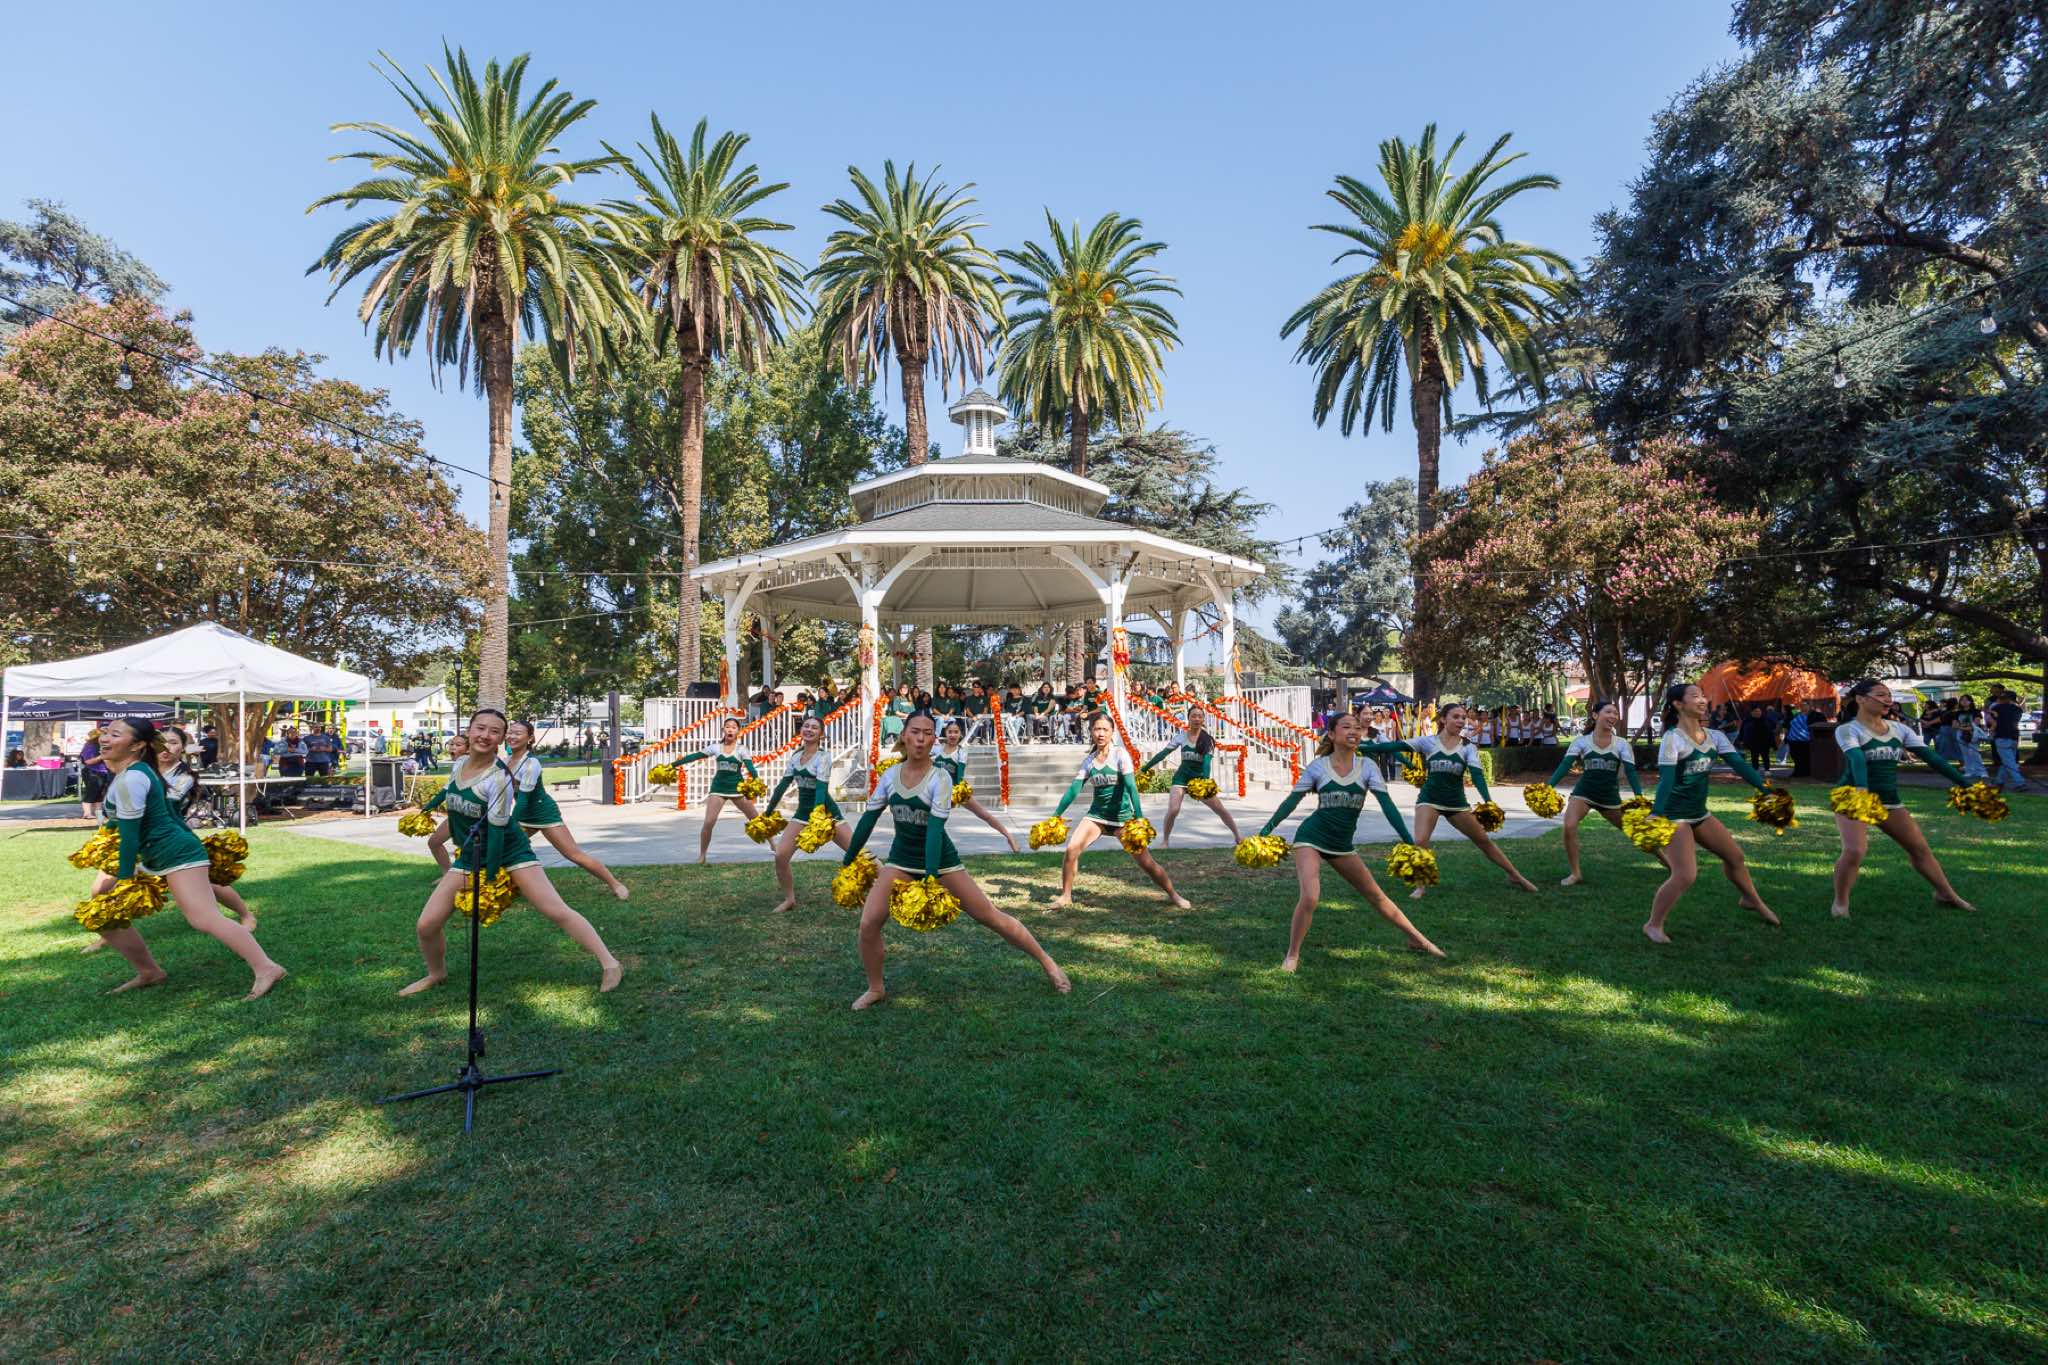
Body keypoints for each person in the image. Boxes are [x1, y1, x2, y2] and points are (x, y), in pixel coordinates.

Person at [841, 712, 1069, 1010]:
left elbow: (935, 831)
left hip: (942, 863)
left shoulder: (940, 778)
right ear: (904, 736)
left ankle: (1049, 963)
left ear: (933, 740)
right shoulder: (889, 776)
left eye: (927, 733)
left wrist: (930, 878)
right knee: (868, 924)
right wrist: (849, 859)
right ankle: (876, 988)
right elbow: (868, 820)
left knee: (990, 916)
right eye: (914, 732)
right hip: (901, 861)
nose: (920, 739)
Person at [403, 708, 622, 996]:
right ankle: (436, 973)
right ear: (468, 731)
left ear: (501, 739)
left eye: (495, 731)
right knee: (427, 924)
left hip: (510, 851)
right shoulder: (460, 765)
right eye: (480, 728)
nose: (485, 735)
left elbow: (496, 833)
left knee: (555, 909)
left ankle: (610, 964)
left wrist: (489, 878)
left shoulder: (498, 778)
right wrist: (427, 811)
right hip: (471, 853)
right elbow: (450, 796)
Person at [80, 717, 287, 999]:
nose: (104, 738)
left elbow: (130, 836)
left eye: (115, 734)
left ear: (137, 745)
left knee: (203, 918)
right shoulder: (136, 771)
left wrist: (125, 878)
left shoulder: (133, 778)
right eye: (106, 732)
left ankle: (267, 967)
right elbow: (146, 818)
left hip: (176, 855)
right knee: (105, 915)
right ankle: (149, 972)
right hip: (158, 855)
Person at [1256, 712, 1443, 971]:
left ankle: (1418, 939)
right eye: (1346, 727)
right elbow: (1291, 802)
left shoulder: (1368, 766)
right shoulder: (1318, 767)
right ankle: (1292, 955)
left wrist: (1409, 842)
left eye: (1357, 727)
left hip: (1342, 844)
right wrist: (1265, 832)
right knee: (1310, 897)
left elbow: (1387, 806)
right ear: (1332, 734)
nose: (1354, 731)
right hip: (1311, 838)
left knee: (1376, 896)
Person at [1644, 682, 1779, 944]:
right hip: (1675, 817)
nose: (1703, 700)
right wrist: (1657, 813)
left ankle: (1751, 899)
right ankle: (1653, 924)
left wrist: (1765, 790)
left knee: (1735, 857)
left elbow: (1740, 766)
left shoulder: (1715, 736)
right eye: (1695, 696)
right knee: (1685, 875)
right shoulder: (1672, 738)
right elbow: (1666, 781)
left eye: (1703, 696)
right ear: (1678, 704)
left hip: (1699, 813)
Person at [1829, 679, 1975, 919]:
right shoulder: (1847, 729)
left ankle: (1946, 894)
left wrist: (1966, 785)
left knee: (1919, 849)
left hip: (1888, 799)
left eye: (1889, 695)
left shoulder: (1900, 729)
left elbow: (1933, 759)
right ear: (1861, 699)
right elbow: (1857, 759)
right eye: (1880, 694)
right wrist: (1862, 790)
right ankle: (1840, 903)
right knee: (1855, 851)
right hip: (1852, 796)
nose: (1888, 699)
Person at [1390, 704, 1538, 899]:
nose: (1461, 721)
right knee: (1421, 841)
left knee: (1483, 841)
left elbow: (1476, 774)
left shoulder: (1468, 746)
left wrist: (1488, 801)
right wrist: (1366, 747)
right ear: (1443, 719)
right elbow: (1396, 746)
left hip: (1456, 803)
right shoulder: (1428, 742)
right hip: (1429, 799)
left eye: (1463, 717)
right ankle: (1420, 886)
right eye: (1456, 716)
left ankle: (1515, 875)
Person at [1049, 713, 1190, 910]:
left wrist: (1139, 818)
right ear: (1091, 732)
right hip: (1097, 817)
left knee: (1147, 863)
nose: (1100, 733)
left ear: (1112, 732)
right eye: (1096, 729)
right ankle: (1066, 896)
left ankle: (1173, 894)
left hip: (1122, 819)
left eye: (1104, 729)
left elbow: (1131, 787)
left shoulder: (1120, 755)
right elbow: (1074, 789)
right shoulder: (1089, 761)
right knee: (1072, 849)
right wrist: (1056, 815)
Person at [505, 719, 630, 901]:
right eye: (510, 732)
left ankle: (615, 884)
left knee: (573, 854)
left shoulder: (531, 764)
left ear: (530, 738)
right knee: (505, 848)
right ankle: (506, 888)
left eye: (518, 733)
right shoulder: (505, 761)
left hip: (543, 813)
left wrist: (511, 826)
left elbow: (523, 801)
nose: (512, 736)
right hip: (523, 813)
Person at [1548, 700, 1653, 886]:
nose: (1613, 716)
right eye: (1608, 712)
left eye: (1615, 713)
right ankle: (1576, 873)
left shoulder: (1621, 744)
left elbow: (1630, 771)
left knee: (1636, 831)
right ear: (1595, 715)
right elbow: (1565, 766)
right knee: (1569, 826)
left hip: (1609, 798)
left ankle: (1668, 862)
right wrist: (1548, 787)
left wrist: (1639, 797)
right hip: (1584, 794)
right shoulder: (1581, 741)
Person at [763, 715, 854, 912]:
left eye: (814, 727)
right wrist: (767, 813)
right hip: (803, 813)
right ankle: (789, 899)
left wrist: (818, 818)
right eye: (806, 726)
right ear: (801, 730)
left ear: (821, 734)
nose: (809, 730)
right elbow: (782, 786)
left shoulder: (824, 757)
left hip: (827, 814)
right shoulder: (796, 756)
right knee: (780, 855)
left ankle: (889, 887)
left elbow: (821, 790)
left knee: (858, 852)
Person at [1142, 706, 1243, 847]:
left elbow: (1206, 763)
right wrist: (1145, 768)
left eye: (1200, 716)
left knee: (1219, 809)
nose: (1196, 719)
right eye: (1193, 716)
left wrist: (1204, 782)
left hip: (1199, 781)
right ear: (1188, 718)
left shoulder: (1208, 740)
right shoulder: (1181, 737)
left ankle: (1238, 836)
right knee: (1173, 810)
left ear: (1203, 720)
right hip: (1181, 779)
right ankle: (1165, 841)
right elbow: (1163, 754)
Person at [677, 717, 761, 864]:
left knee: (755, 818)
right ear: (723, 730)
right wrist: (674, 764)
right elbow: (695, 756)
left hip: (737, 789)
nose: (730, 729)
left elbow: (751, 769)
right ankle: (702, 855)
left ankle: (774, 845)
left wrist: (757, 782)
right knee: (708, 822)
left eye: (733, 727)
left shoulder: (742, 749)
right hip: (718, 789)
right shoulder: (715, 747)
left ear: (738, 731)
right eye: (727, 727)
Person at [933, 717, 1021, 851]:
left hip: (956, 791)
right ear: (945, 733)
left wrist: (955, 794)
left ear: (960, 734)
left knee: (984, 814)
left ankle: (1009, 837)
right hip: (937, 792)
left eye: (956, 732)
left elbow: (960, 775)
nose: (952, 735)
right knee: (933, 820)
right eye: (950, 732)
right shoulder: (937, 749)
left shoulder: (961, 752)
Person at [1987, 688, 2032, 792]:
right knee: (2007, 761)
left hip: (2001, 737)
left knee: (2009, 762)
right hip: (2014, 737)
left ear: (2004, 699)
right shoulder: (2018, 710)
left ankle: (2020, 783)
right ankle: (1998, 781)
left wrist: (1990, 732)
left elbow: (1992, 722)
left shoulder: (1997, 708)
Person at [78, 723, 112, 820]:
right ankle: (87, 813)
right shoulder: (90, 746)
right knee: (91, 792)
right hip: (92, 772)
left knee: (100, 794)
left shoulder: (105, 745)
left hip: (104, 771)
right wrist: (102, 756)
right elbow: (88, 761)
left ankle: (98, 814)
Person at [1738, 704, 1775, 774]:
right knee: (1754, 756)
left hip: (1764, 742)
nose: (1757, 713)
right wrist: (1741, 740)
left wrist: (1772, 742)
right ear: (1751, 712)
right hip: (1753, 742)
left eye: (1759, 711)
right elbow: (1742, 731)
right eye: (1755, 711)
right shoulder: (1747, 720)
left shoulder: (1766, 720)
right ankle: (1755, 769)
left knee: (1765, 756)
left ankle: (1767, 770)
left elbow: (1771, 730)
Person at [1787, 704, 1813, 777]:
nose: (1804, 708)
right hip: (1793, 740)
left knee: (1804, 758)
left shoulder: (1812, 717)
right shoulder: (1796, 715)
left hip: (1804, 740)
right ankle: (1798, 772)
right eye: (1803, 707)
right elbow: (1791, 711)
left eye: (1806, 707)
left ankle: (1804, 772)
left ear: (1809, 708)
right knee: (1796, 757)